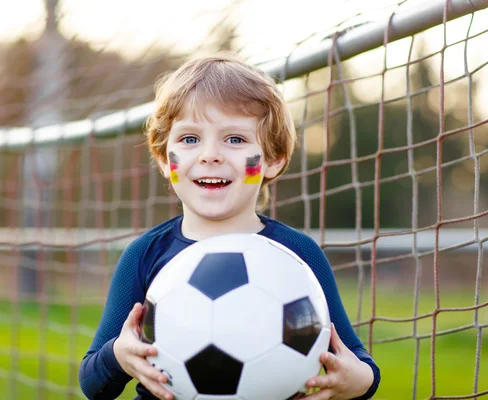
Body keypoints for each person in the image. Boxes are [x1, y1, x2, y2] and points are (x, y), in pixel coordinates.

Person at [79, 52, 380, 400]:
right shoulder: (145, 254)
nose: (210, 155)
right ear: (164, 159)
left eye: (234, 139)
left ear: (273, 159)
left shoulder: (297, 255)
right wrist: (119, 354)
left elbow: (359, 365)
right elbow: (93, 384)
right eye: (190, 139)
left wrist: (356, 382)